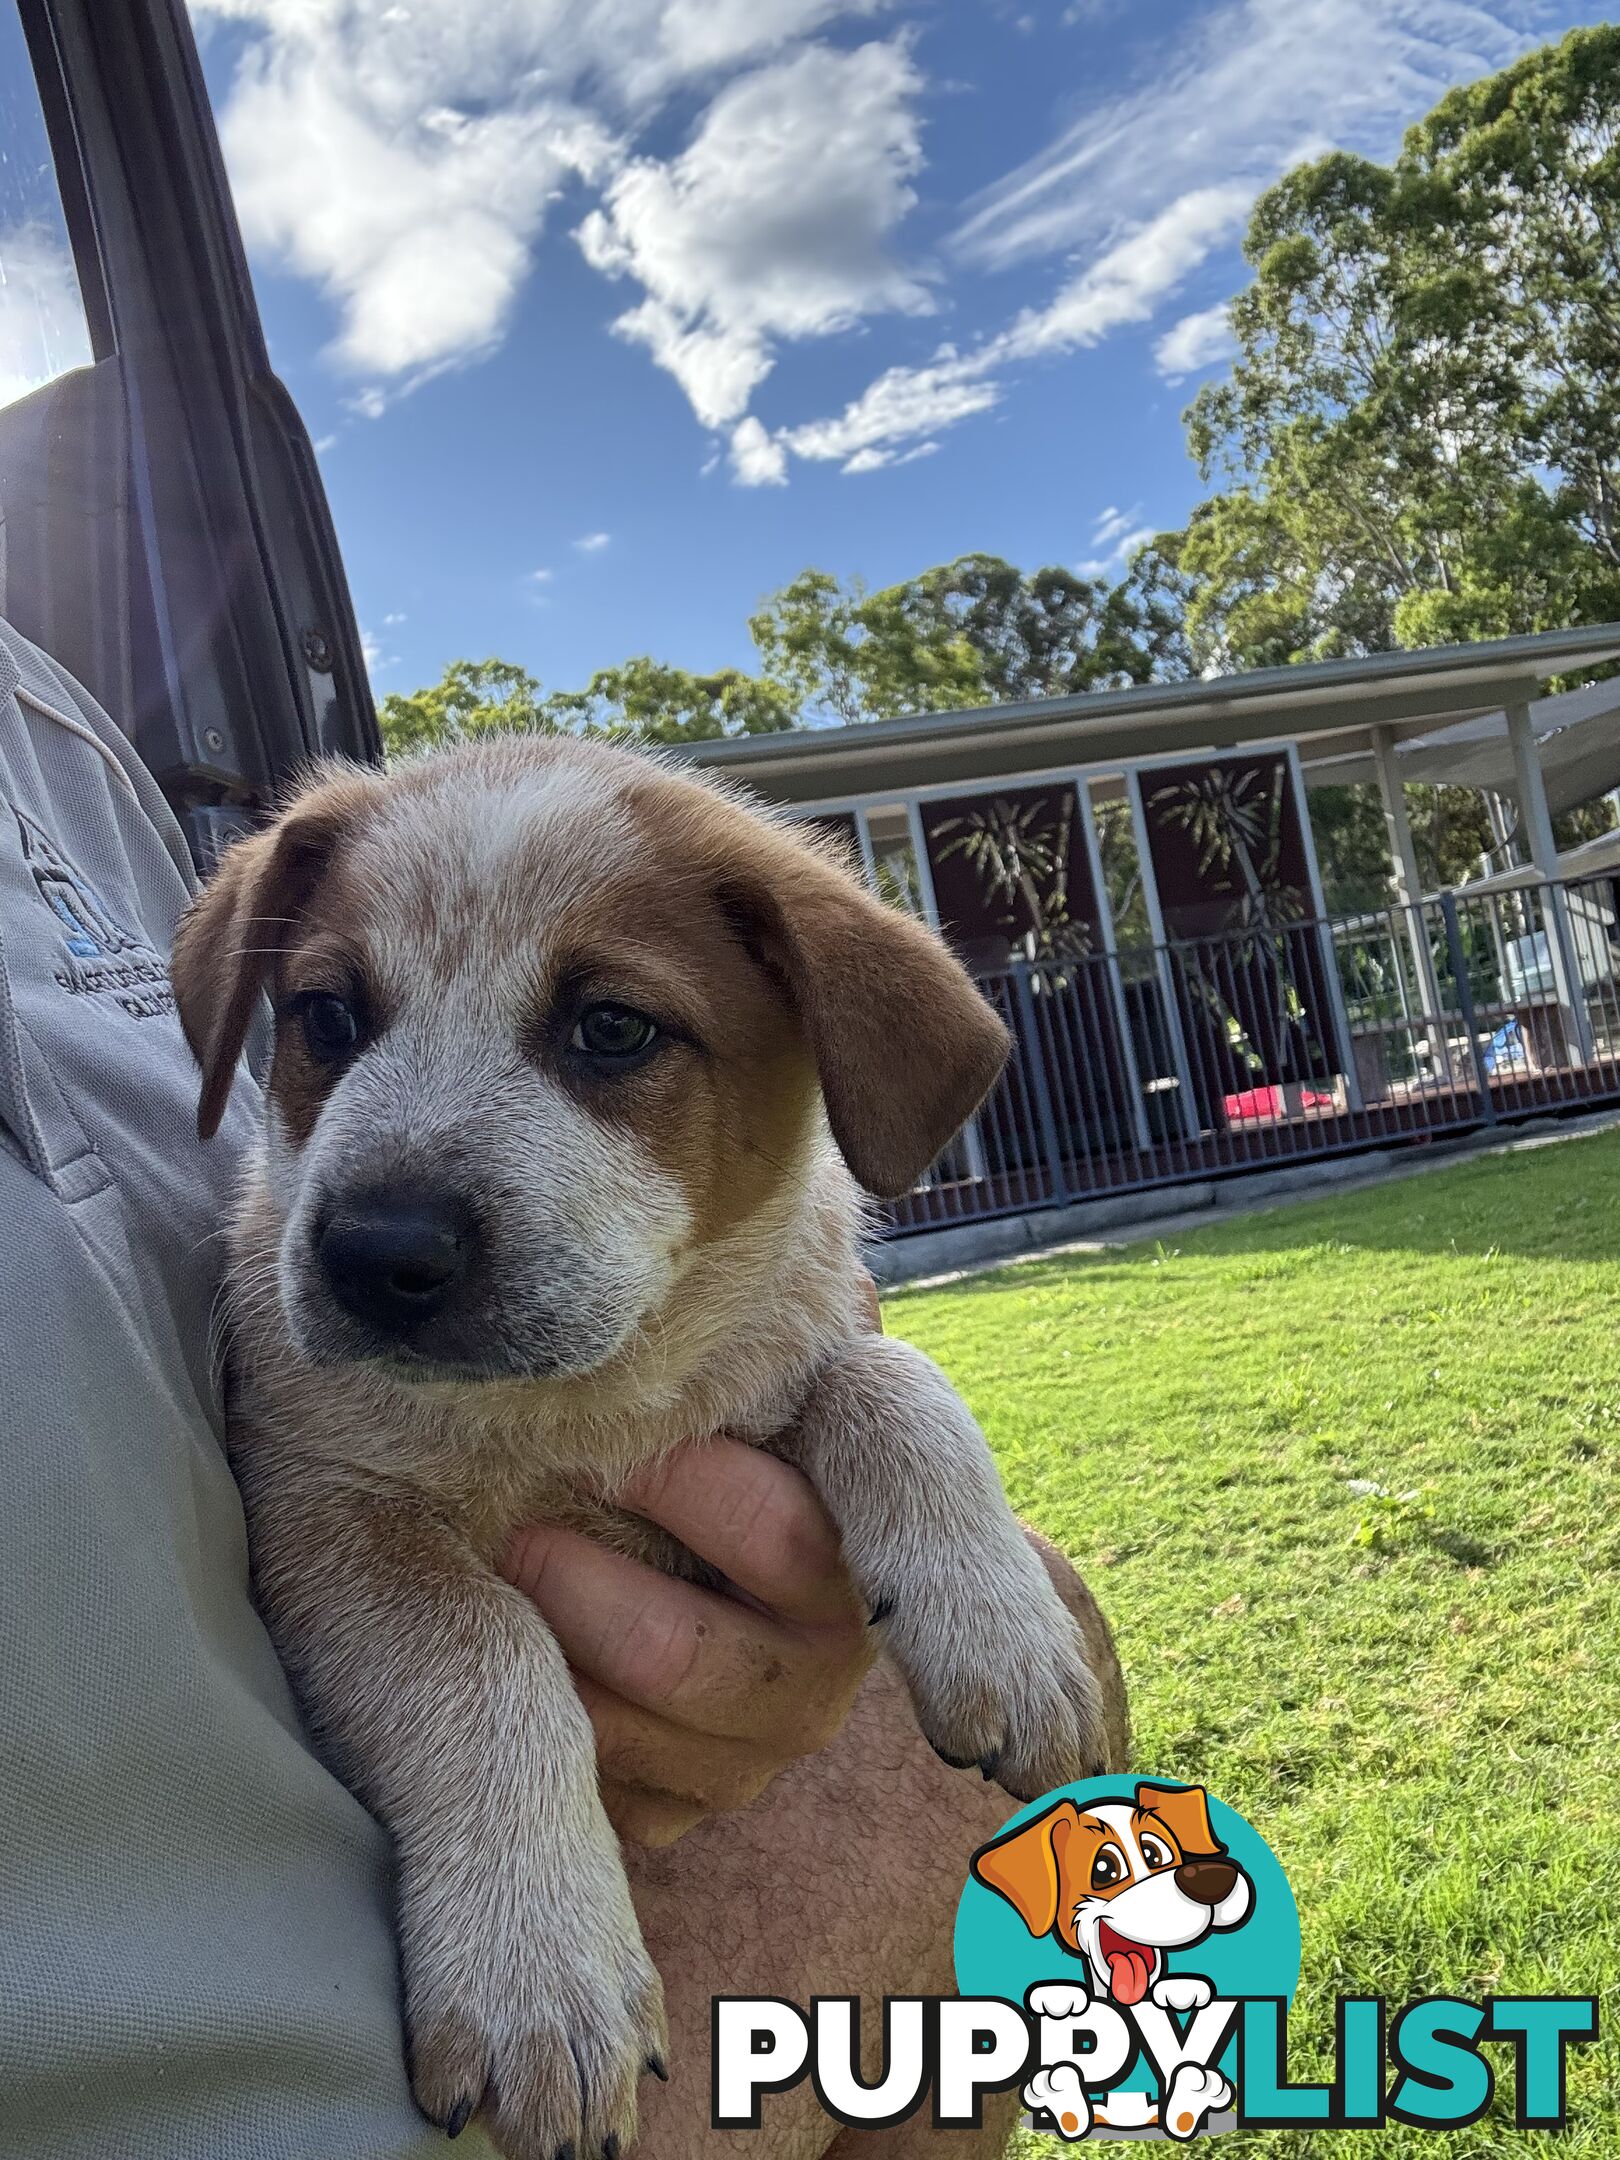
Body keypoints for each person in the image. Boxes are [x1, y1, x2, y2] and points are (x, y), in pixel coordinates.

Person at [0, 612, 1126, 2160]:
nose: (388, 1198)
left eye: (608, 1033)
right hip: (304, 2023)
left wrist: (895, 1425)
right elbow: (327, 1519)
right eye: (337, 1019)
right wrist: (503, 1774)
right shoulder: (287, 1257)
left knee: (1008, 1565)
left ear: (818, 1041)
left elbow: (832, 1368)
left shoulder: (53, 729)